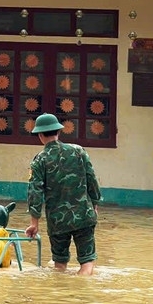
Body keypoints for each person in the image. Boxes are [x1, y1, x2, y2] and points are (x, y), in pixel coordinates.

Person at [24, 113, 102, 276]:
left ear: (40, 135)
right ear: (58, 132)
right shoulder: (79, 151)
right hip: (84, 217)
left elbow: (35, 192)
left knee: (59, 265)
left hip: (57, 222)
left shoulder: (39, 160)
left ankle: (62, 297)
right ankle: (81, 296)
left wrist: (34, 223)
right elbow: (92, 180)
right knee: (87, 263)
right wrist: (94, 205)